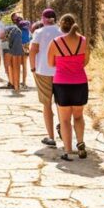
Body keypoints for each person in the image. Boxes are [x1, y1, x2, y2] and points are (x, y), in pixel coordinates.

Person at [48, 14, 90, 160]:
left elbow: (50, 63)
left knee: (64, 120)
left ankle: (67, 150)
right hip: (80, 82)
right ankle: (80, 143)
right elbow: (86, 61)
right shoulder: (83, 41)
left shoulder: (55, 42)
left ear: (61, 25)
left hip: (62, 83)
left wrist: (64, 64)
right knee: (78, 116)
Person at [30, 8, 62, 147]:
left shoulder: (39, 32)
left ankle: (51, 137)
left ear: (43, 19)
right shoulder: (62, 31)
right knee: (61, 103)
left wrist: (32, 68)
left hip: (43, 70)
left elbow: (33, 51)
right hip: (60, 71)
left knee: (46, 104)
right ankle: (63, 126)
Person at [3, 14, 25, 95]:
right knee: (17, 68)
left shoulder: (8, 28)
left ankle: (13, 84)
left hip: (8, 44)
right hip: (16, 46)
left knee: (10, 66)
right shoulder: (21, 29)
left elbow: (3, 38)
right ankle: (17, 87)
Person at [19, 18, 33, 89]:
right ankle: (24, 82)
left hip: (19, 49)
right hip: (26, 50)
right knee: (24, 66)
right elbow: (31, 40)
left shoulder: (19, 32)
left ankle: (17, 81)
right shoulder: (29, 32)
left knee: (18, 65)